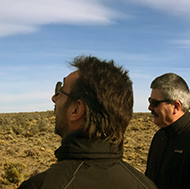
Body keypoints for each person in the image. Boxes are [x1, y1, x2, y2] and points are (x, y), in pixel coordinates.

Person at [19, 55, 157, 189]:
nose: (54, 98)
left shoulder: (42, 185)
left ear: (76, 110)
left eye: (60, 91)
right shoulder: (146, 185)